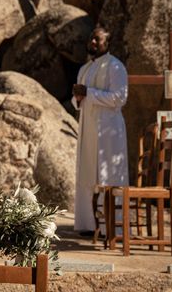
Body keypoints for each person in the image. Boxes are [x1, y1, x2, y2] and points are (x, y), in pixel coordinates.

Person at [72, 26, 129, 234]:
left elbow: (120, 97)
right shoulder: (85, 69)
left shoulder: (116, 67)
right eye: (91, 38)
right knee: (87, 176)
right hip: (88, 129)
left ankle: (111, 227)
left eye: (97, 39)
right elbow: (81, 100)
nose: (93, 43)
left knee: (108, 176)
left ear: (107, 43)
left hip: (108, 132)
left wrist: (89, 92)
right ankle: (87, 225)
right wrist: (77, 98)